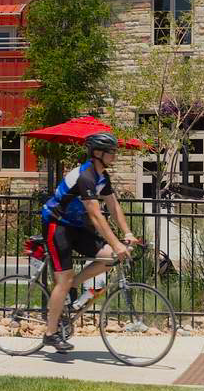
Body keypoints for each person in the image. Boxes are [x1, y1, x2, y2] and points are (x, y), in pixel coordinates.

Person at [39, 132, 136, 353]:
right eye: (111, 151)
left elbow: (113, 206)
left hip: (76, 226)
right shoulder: (85, 176)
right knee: (62, 280)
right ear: (97, 153)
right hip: (57, 224)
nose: (115, 155)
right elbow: (95, 214)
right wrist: (118, 243)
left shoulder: (103, 177)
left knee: (109, 256)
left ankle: (73, 285)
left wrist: (127, 233)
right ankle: (50, 333)